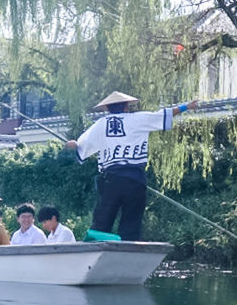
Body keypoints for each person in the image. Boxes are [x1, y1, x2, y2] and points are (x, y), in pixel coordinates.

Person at [66, 91, 197, 241]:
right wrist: (186, 106)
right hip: (135, 179)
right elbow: (162, 115)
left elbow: (81, 145)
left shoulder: (101, 124)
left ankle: (94, 247)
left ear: (107, 108)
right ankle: (129, 245)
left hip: (111, 180)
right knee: (132, 221)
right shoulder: (138, 119)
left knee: (103, 219)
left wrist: (73, 144)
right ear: (127, 106)